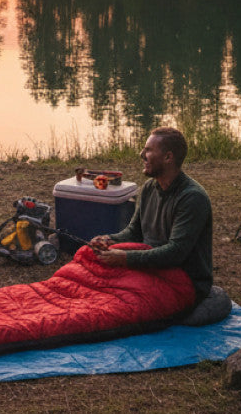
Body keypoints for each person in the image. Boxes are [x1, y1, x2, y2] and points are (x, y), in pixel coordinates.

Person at [89, 126, 213, 301]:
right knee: (91, 267)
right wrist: (110, 239)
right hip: (150, 269)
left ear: (168, 157)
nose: (141, 155)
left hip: (184, 281)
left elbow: (175, 253)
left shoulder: (192, 198)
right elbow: (134, 232)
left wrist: (125, 258)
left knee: (116, 301)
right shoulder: (149, 188)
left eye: (148, 150)